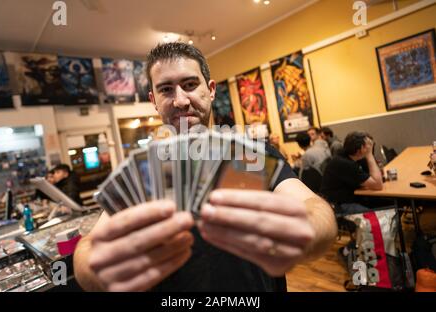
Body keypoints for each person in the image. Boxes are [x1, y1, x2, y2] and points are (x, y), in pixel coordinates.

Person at [73, 42, 337, 292]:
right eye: (166, 89)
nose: (181, 101)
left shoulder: (250, 154)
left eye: (190, 84)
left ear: (210, 90)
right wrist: (98, 270)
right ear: (153, 100)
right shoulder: (144, 173)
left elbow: (315, 210)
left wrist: (303, 230)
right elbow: (87, 252)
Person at [320, 131, 383, 215]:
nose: (370, 147)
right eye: (368, 145)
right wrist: (369, 155)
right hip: (338, 206)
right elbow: (378, 185)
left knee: (382, 202)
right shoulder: (344, 163)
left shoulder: (352, 156)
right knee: (377, 214)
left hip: (351, 198)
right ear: (359, 150)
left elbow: (375, 175)